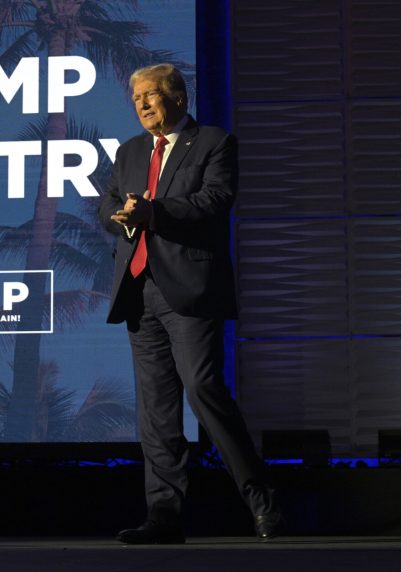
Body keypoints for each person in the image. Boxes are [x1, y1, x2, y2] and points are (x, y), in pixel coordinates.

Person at [98, 62, 280, 544]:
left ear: (179, 97)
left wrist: (152, 212)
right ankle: (163, 516)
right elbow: (108, 204)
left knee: (203, 389)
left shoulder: (214, 142)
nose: (141, 104)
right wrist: (119, 216)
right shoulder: (130, 151)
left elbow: (214, 201)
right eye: (136, 98)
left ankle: (260, 496)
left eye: (151, 95)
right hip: (139, 291)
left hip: (190, 290)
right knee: (156, 411)